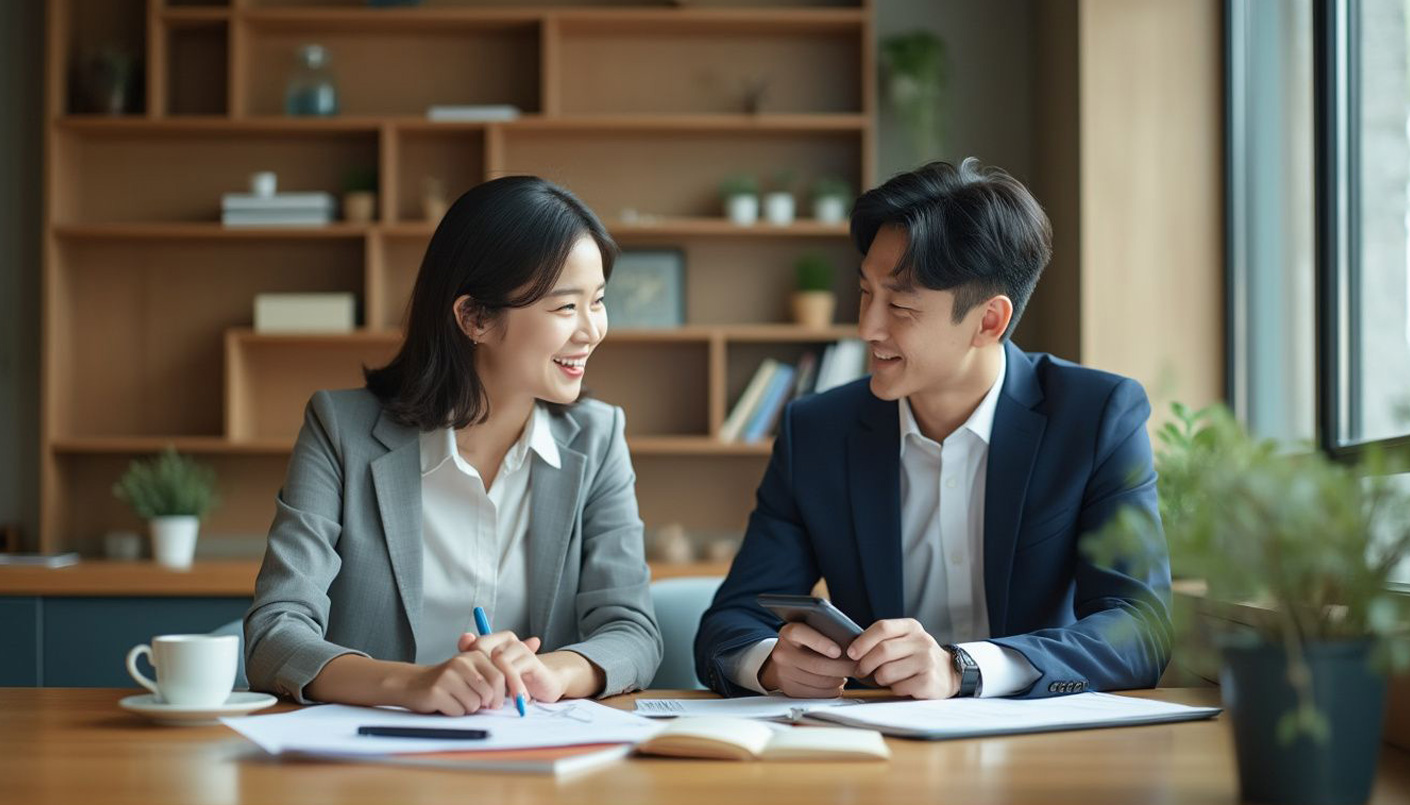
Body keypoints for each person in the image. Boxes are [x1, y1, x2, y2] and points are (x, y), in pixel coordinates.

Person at [695, 158, 1172, 700]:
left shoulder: (1095, 416)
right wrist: (768, 664)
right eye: (865, 293)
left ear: (988, 320)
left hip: (1040, 746)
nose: (867, 328)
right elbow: (731, 621)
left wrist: (965, 669)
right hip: (878, 749)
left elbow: (1140, 628)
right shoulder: (817, 431)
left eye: (899, 304)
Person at [245, 176, 662, 714]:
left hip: (532, 760)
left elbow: (632, 630)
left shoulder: (598, 438)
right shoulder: (341, 430)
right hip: (373, 759)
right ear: (475, 318)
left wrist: (550, 672)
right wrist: (411, 684)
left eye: (598, 302)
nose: (592, 330)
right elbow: (275, 632)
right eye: (565, 308)